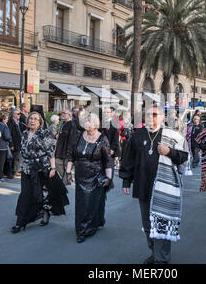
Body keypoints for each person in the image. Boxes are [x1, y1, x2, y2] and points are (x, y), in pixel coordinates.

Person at [120, 105, 188, 264]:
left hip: (164, 188)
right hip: (143, 185)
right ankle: (154, 252)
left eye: (155, 114)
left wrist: (169, 152)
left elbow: (184, 156)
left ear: (163, 117)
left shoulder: (172, 136)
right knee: (148, 224)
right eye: (148, 114)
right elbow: (128, 159)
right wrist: (126, 180)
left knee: (162, 223)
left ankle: (161, 259)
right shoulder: (137, 136)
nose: (151, 117)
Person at [12, 112, 69, 233]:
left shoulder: (44, 134)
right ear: (27, 121)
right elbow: (23, 152)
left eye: (35, 119)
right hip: (27, 168)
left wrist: (53, 168)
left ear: (40, 122)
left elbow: (50, 152)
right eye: (31, 118)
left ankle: (45, 212)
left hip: (42, 168)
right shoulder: (23, 134)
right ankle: (20, 222)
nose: (32, 121)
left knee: (43, 193)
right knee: (25, 194)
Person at [65, 113, 114, 243]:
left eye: (89, 120)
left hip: (96, 176)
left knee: (92, 203)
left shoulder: (103, 139)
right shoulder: (79, 135)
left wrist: (108, 178)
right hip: (81, 175)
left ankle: (89, 227)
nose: (87, 122)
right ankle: (81, 229)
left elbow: (108, 160)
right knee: (82, 203)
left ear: (96, 123)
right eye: (85, 120)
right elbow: (71, 155)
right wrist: (68, 172)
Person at [55, 109, 77, 181]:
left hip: (66, 150)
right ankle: (67, 179)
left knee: (65, 166)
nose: (63, 114)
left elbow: (72, 139)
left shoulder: (72, 124)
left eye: (65, 113)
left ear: (69, 115)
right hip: (60, 150)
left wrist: (69, 151)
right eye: (62, 113)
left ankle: (66, 182)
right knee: (57, 163)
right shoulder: (63, 123)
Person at [100, 107, 120, 177]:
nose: (106, 114)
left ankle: (109, 182)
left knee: (109, 167)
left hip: (110, 148)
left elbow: (116, 139)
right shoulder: (101, 122)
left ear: (111, 113)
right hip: (101, 148)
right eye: (104, 112)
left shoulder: (115, 124)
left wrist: (112, 149)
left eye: (107, 112)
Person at [7, 108, 27, 178]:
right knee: (13, 159)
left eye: (20, 114)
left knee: (17, 158)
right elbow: (9, 134)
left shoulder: (19, 122)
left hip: (19, 143)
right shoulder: (10, 122)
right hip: (14, 143)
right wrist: (11, 144)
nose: (19, 115)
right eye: (18, 114)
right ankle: (12, 172)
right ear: (13, 114)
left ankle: (16, 171)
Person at [0, 111, 12, 182]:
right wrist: (10, 138)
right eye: (6, 118)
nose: (7, 119)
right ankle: (0, 176)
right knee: (1, 162)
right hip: (3, 145)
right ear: (3, 119)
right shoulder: (4, 125)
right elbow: (7, 136)